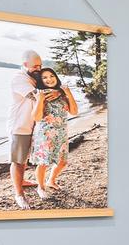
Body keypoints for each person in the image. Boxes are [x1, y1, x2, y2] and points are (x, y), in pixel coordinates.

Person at [24, 67, 78, 198]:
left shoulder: (62, 93)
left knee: (62, 162)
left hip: (62, 132)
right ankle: (40, 187)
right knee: (43, 162)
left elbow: (74, 112)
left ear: (56, 77)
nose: (49, 79)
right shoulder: (39, 93)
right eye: (45, 77)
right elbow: (36, 117)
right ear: (41, 81)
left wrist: (67, 92)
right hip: (45, 134)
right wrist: (41, 99)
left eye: (51, 76)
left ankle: (51, 180)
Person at [6, 50, 43, 209]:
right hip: (19, 127)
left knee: (25, 159)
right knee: (17, 161)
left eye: (40, 66)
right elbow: (36, 96)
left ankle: (22, 181)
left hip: (32, 126)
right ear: (25, 64)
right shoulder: (19, 79)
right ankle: (19, 194)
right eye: (35, 66)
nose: (39, 69)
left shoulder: (33, 77)